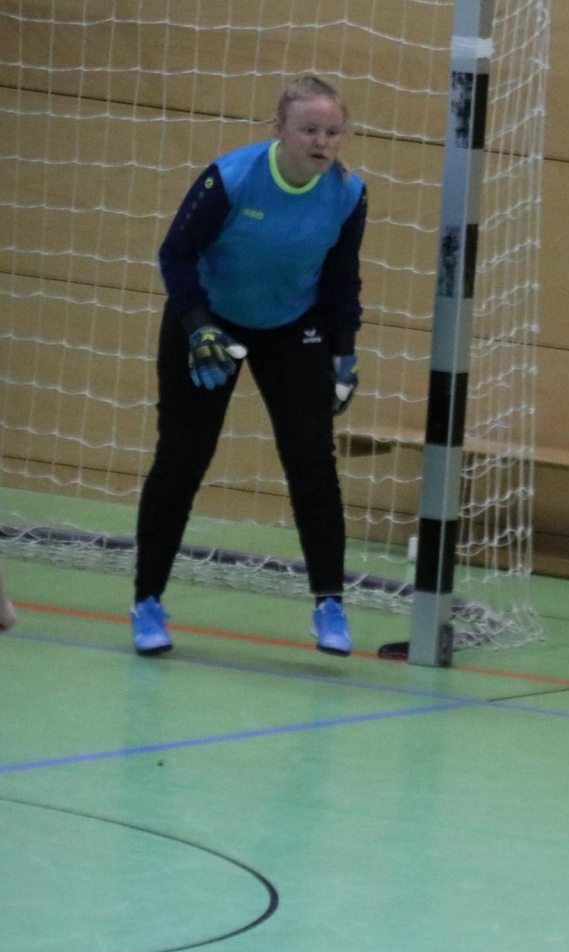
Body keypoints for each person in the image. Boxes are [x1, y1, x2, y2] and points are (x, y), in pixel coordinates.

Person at [133, 75, 367, 658]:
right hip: (209, 322)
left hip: (293, 327)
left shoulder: (348, 193)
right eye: (309, 129)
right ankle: (147, 602)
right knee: (182, 458)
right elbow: (176, 253)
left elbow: (342, 279)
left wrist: (344, 351)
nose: (321, 142)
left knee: (312, 462)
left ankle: (330, 604)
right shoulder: (233, 177)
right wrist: (197, 326)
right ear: (279, 129)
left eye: (332, 132)